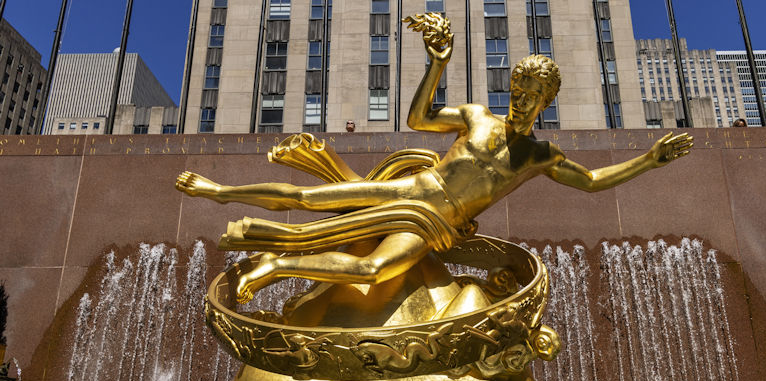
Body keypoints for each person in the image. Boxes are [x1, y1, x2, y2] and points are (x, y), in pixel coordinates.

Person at [176, 13, 693, 303]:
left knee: (374, 270)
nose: (521, 99)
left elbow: (596, 180)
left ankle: (276, 266)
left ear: (546, 102)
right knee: (308, 197)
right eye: (517, 88)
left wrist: (650, 159)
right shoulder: (475, 115)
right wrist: (437, 63)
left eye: (532, 93)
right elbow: (420, 118)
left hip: (437, 224)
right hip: (411, 189)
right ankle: (220, 192)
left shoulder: (539, 154)